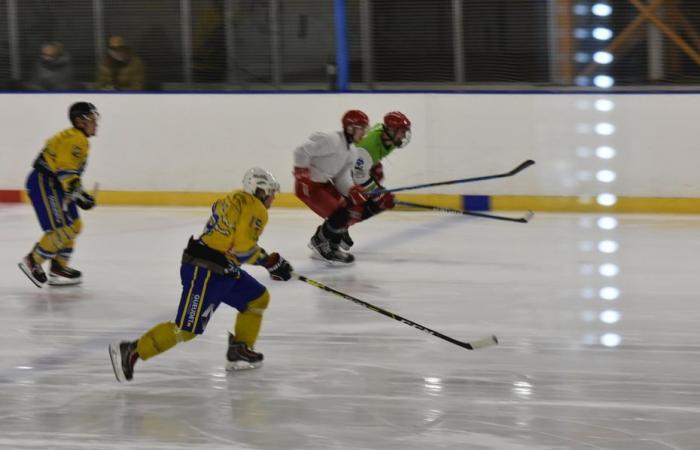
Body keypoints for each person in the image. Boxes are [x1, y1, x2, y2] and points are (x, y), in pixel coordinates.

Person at [109, 168, 293, 382]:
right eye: (270, 192)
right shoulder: (256, 208)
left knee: (256, 298)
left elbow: (233, 245)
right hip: (205, 271)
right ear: (259, 190)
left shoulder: (232, 198)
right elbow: (243, 249)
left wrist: (269, 261)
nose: (273, 197)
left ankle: (239, 350)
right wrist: (271, 262)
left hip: (221, 268)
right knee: (186, 329)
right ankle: (132, 351)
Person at [18, 102, 99, 288]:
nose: (96, 123)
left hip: (56, 184)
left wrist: (80, 194)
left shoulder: (77, 137)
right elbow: (66, 170)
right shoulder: (76, 139)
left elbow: (67, 172)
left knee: (75, 225)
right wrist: (79, 195)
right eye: (92, 119)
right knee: (62, 229)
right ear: (80, 121)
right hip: (45, 183)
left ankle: (58, 267)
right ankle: (32, 260)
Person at [293, 110, 370, 264]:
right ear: (350, 128)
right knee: (340, 214)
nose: (364, 133)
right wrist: (301, 170)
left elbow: (341, 177)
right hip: (308, 186)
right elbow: (301, 150)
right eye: (361, 128)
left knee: (351, 210)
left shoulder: (352, 152)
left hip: (324, 184)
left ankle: (333, 245)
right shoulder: (331, 140)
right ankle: (319, 242)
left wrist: (351, 190)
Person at [341, 111, 413, 250]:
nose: (404, 135)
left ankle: (342, 224)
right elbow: (357, 174)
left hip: (356, 166)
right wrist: (379, 194)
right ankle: (339, 227)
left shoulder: (390, 138)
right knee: (367, 202)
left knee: (377, 181)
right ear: (391, 131)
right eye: (402, 132)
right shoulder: (368, 146)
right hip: (344, 171)